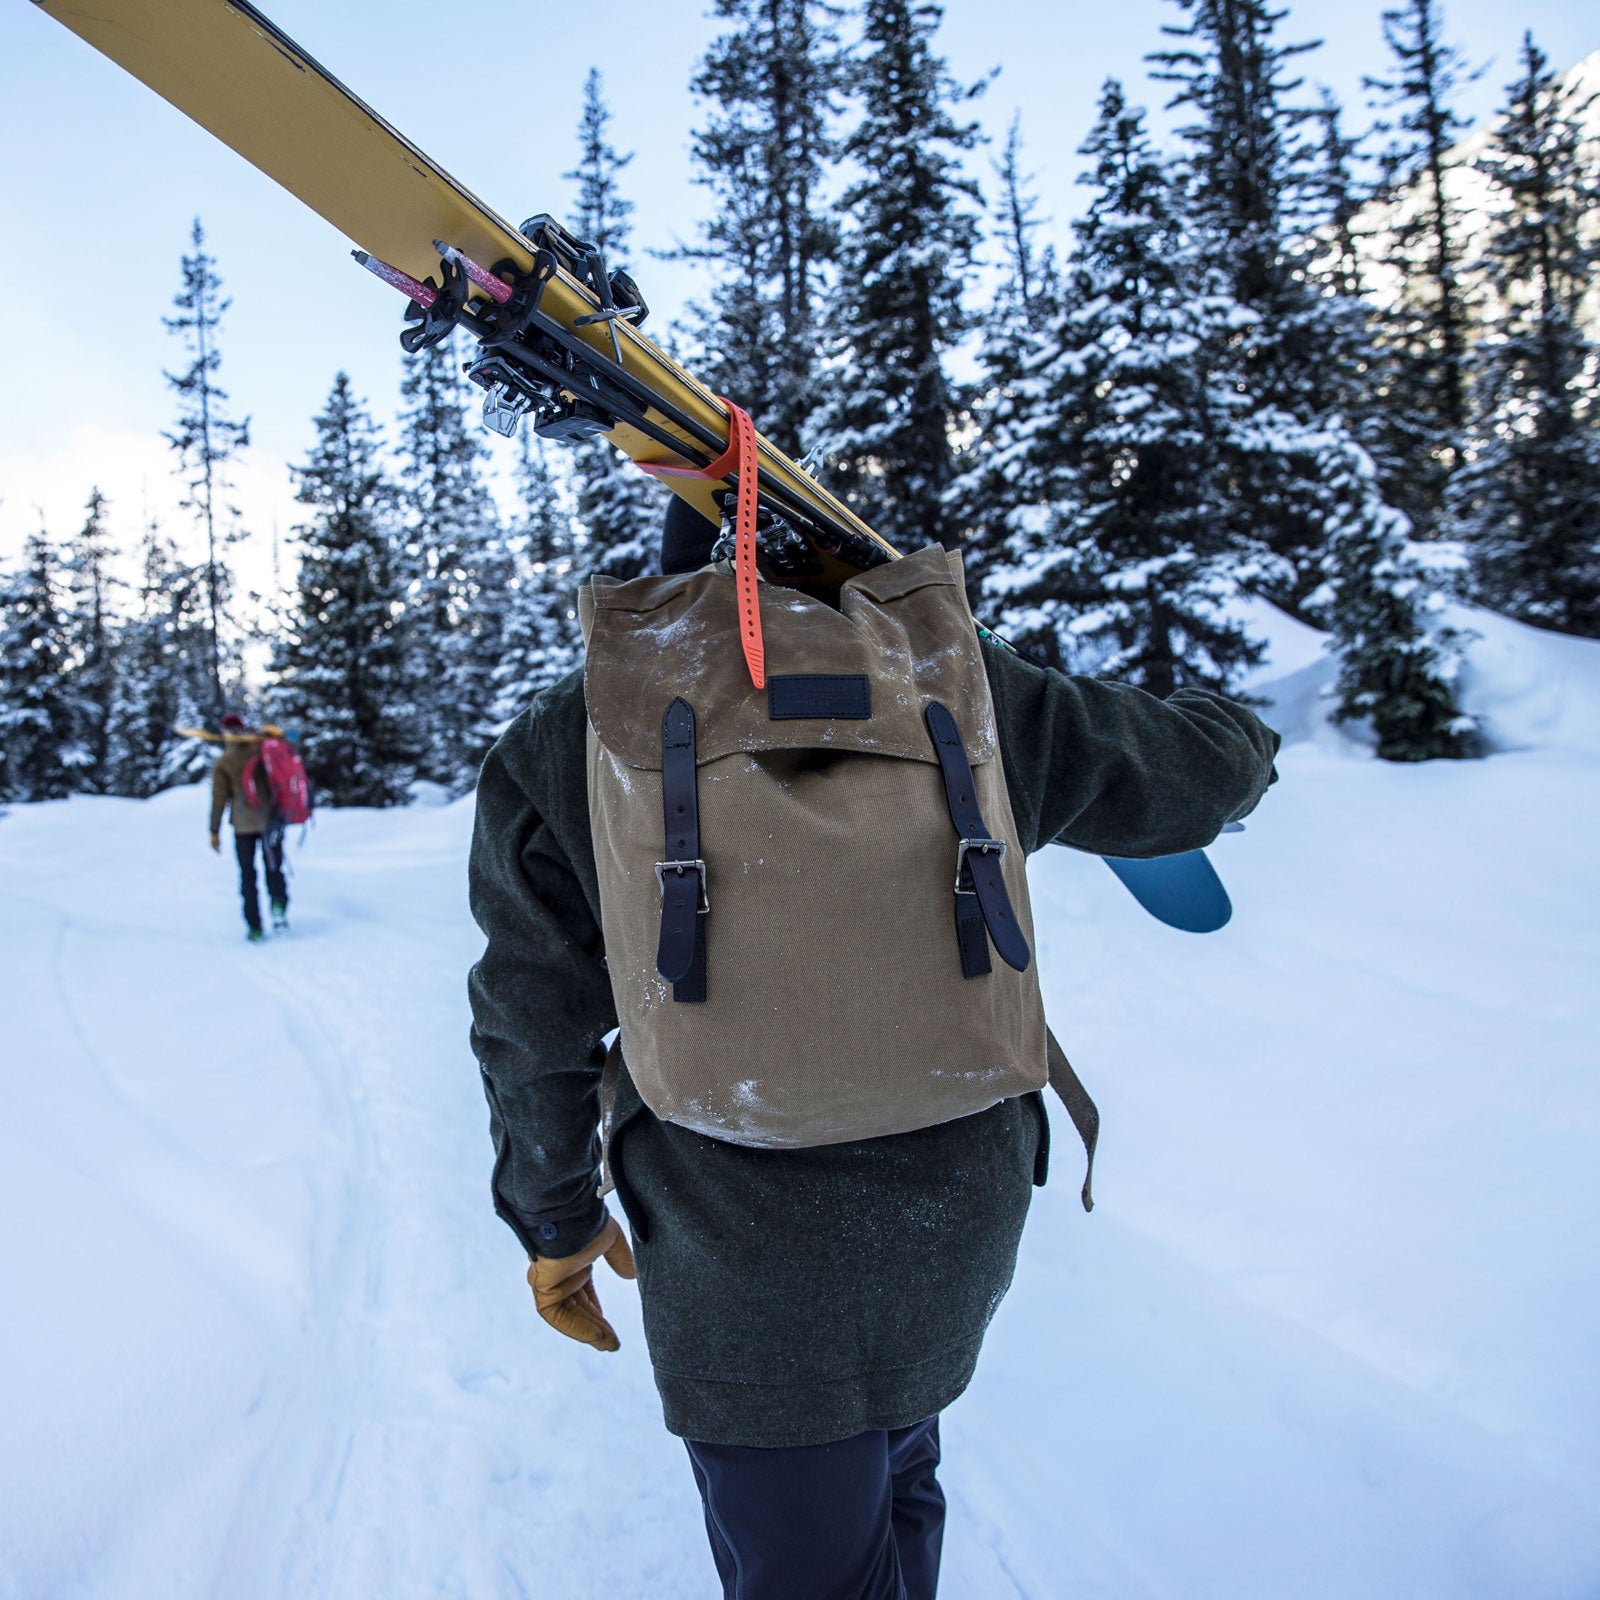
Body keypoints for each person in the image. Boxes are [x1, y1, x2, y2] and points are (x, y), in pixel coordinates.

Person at [467, 498, 1280, 1599]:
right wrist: (1247, 733)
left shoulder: (582, 729)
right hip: (953, 1219)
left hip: (737, 1259)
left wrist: (556, 1218)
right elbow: (1192, 775)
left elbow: (531, 1016)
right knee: (906, 1473)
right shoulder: (959, 692)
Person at [209, 713, 289, 943]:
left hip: (243, 826)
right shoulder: (262, 749)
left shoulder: (224, 761)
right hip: (269, 821)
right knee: (274, 867)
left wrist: (213, 830)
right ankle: (278, 905)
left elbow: (219, 799)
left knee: (248, 875)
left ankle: (254, 926)